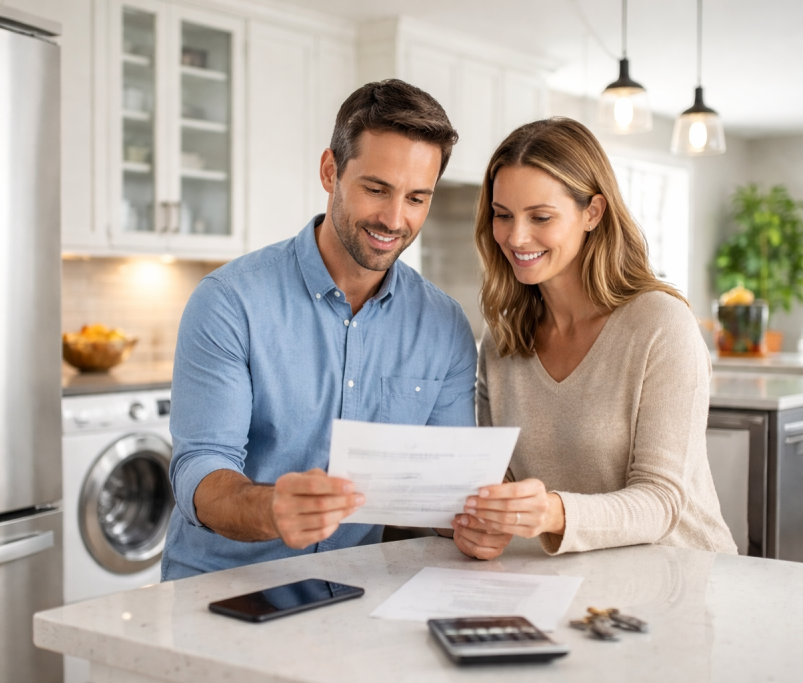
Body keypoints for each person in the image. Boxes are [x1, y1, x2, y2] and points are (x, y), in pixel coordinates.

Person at [161, 79, 478, 580]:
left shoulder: (444, 328)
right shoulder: (229, 302)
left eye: (417, 198)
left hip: (349, 591)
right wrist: (269, 508)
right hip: (219, 588)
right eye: (376, 189)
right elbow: (198, 468)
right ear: (330, 171)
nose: (395, 219)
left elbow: (442, 497)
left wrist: (475, 520)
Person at [450, 117, 737, 559]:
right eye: (502, 215)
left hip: (683, 580)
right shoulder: (502, 337)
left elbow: (661, 501)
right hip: (573, 587)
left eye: (540, 217)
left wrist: (551, 513)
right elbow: (502, 481)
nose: (515, 237)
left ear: (593, 212)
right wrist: (485, 525)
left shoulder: (661, 325)